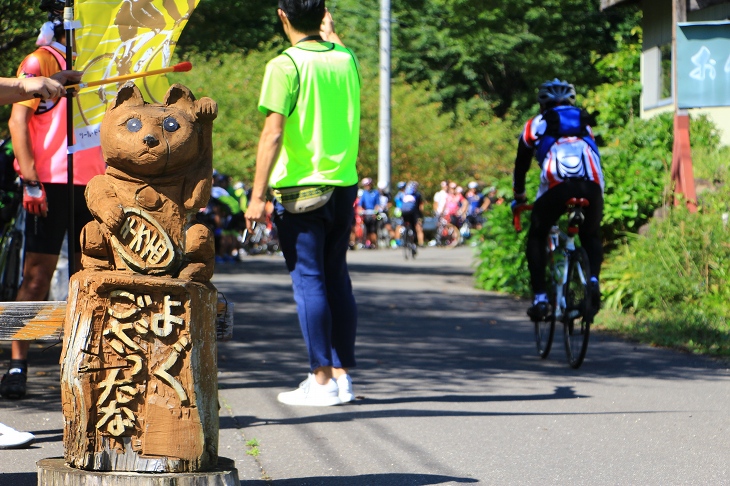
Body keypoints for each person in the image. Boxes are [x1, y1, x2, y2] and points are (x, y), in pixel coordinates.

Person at [244, 0, 360, 407]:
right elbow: (337, 46)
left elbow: (272, 134)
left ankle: (322, 380)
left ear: (282, 15)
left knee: (309, 281)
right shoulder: (346, 60)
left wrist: (257, 196)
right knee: (336, 278)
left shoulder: (285, 65)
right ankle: (342, 377)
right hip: (344, 184)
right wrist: (328, 27)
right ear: (324, 16)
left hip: (300, 191)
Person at [2, 2, 107, 399]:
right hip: (49, 181)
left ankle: (85, 361)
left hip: (93, 182)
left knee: (90, 274)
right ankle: (17, 363)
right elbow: (18, 120)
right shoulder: (40, 59)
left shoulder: (102, 61)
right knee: (36, 277)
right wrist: (30, 180)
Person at [510, 79, 604, 321]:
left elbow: (521, 166)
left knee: (537, 235)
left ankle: (541, 298)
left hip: (557, 188)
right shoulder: (585, 123)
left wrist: (519, 197)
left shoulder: (534, 125)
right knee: (591, 235)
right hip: (592, 186)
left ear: (543, 103)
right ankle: (592, 281)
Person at [399, 181, 424, 247]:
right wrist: (421, 215)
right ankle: (418, 242)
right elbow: (420, 206)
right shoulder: (417, 195)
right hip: (413, 212)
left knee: (405, 224)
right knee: (416, 226)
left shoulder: (403, 194)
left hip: (403, 212)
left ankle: (404, 235)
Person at [358, 177, 380, 248]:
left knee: (373, 229)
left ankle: (374, 243)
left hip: (373, 213)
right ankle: (368, 242)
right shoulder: (364, 193)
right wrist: (360, 211)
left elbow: (377, 204)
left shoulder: (375, 192)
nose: (367, 186)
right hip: (366, 213)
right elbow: (360, 204)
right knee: (366, 229)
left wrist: (375, 212)